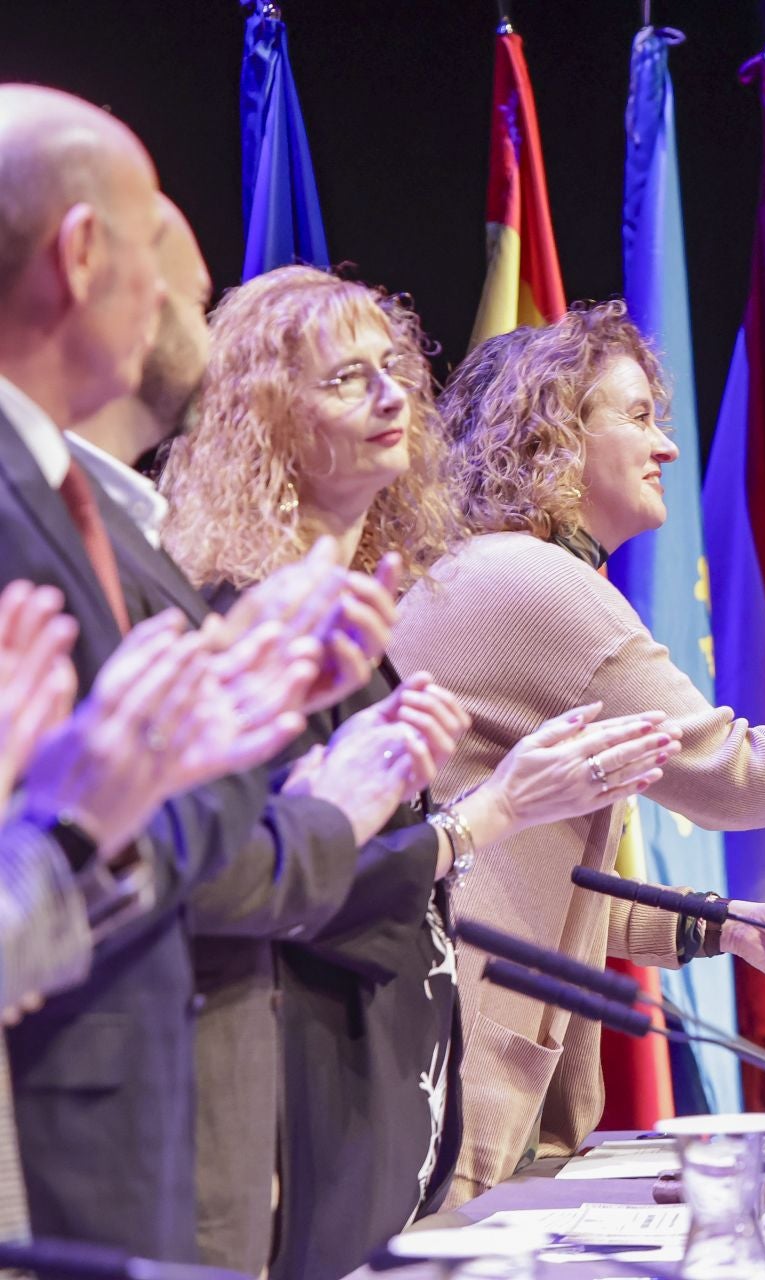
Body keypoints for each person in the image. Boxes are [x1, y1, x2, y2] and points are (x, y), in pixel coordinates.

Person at [388, 301, 765, 1205]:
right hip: (454, 1098)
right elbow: (729, 775)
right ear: (553, 434)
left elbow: (531, 883)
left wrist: (724, 927)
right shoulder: (535, 579)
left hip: (450, 1082)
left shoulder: (490, 570)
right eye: (636, 416)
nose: (666, 447)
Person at [157, 265, 686, 1279]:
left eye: (394, 369)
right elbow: (264, 887)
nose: (396, 394)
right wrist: (489, 812)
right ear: (267, 411)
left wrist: (705, 922)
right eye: (348, 378)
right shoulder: (234, 616)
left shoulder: (365, 620)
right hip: (287, 1128)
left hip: (393, 1120)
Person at [0, 83, 332, 1258]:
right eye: (154, 252)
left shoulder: (69, 490)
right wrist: (81, 819)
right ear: (81, 251)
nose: (171, 301)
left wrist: (233, 699)